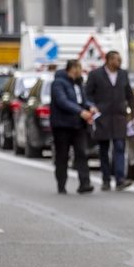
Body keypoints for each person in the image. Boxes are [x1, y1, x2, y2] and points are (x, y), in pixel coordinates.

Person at [85, 51, 134, 191]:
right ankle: (106, 179)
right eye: (116, 59)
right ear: (108, 60)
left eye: (120, 60)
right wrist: (92, 106)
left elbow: (130, 95)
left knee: (120, 147)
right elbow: (87, 94)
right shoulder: (96, 75)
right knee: (103, 149)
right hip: (103, 117)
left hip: (119, 117)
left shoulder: (123, 74)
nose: (119, 62)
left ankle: (120, 179)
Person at [50, 60, 96, 195]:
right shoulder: (58, 83)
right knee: (62, 156)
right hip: (62, 125)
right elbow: (62, 101)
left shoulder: (79, 83)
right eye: (79, 68)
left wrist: (89, 106)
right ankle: (61, 184)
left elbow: (82, 100)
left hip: (78, 125)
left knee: (82, 153)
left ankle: (85, 183)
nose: (81, 71)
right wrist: (80, 111)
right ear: (72, 69)